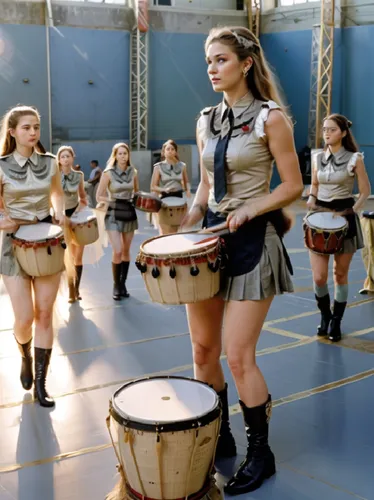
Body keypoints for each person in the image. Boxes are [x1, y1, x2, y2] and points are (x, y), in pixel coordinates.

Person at [180, 27, 303, 495]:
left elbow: (292, 184)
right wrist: (189, 218)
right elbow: (205, 186)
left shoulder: (272, 118)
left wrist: (253, 207)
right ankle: (220, 434)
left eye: (221, 60)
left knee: (237, 354)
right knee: (202, 352)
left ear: (246, 63)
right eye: (208, 61)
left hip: (255, 241)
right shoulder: (205, 119)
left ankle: (261, 453)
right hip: (211, 242)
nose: (212, 68)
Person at [0, 105, 66, 408]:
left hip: (47, 242)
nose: (33, 132)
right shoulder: (0, 166)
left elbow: (56, 194)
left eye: (36, 126)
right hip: (13, 246)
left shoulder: (50, 163)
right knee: (24, 318)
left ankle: (41, 384)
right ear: (12, 131)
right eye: (26, 127)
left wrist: (61, 213)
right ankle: (24, 355)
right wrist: (5, 221)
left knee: (43, 314)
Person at [306, 114, 371, 341]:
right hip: (319, 217)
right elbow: (314, 185)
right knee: (319, 277)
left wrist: (353, 209)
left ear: (343, 133)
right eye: (324, 129)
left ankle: (336, 322)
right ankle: (325, 315)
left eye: (332, 130)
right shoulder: (317, 158)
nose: (326, 133)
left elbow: (364, 191)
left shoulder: (355, 159)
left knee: (340, 274)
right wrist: (311, 198)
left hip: (345, 217)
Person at [96, 143, 139, 300]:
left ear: (128, 155)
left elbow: (136, 193)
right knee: (118, 250)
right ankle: (115, 285)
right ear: (115, 156)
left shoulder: (133, 172)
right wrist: (111, 201)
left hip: (129, 211)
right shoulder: (108, 173)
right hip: (113, 212)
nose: (123, 156)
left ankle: (123, 284)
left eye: (125, 153)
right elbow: (98, 195)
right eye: (120, 153)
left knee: (126, 251)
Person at [57, 145, 88, 303]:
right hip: (61, 219)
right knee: (67, 256)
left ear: (72, 157)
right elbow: (51, 198)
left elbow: (83, 198)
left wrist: (78, 213)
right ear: (59, 160)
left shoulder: (79, 176)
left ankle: (77, 288)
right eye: (62, 156)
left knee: (78, 257)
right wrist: (59, 214)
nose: (65, 159)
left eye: (68, 156)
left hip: (76, 218)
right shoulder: (54, 176)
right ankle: (70, 290)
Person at [151, 139, 191, 235]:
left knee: (178, 234)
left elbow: (186, 182)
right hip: (164, 200)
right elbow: (153, 186)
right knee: (165, 234)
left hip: (179, 200)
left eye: (172, 149)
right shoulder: (158, 167)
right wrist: (164, 189)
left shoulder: (182, 166)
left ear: (176, 151)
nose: (170, 151)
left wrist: (188, 191)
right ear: (163, 152)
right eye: (168, 149)